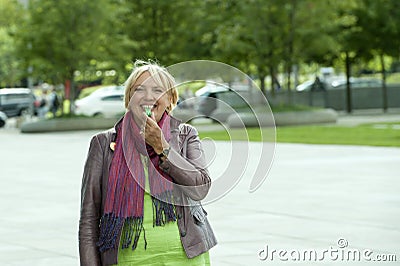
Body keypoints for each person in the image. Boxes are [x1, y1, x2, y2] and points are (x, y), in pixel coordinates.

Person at [79, 60, 217, 266]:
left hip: (186, 256)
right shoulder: (103, 143)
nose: (148, 96)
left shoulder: (186, 135)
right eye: (139, 89)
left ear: (170, 99)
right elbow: (88, 220)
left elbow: (200, 188)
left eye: (158, 90)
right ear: (128, 99)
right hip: (128, 260)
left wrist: (162, 146)